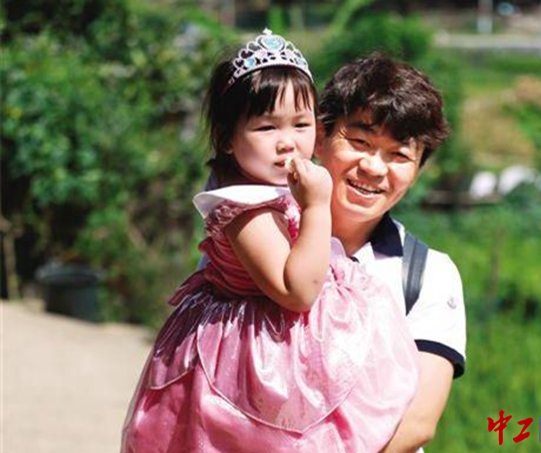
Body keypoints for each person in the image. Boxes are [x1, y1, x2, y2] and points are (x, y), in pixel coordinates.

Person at [121, 30, 420, 453]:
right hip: (256, 358)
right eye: (266, 127)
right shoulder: (245, 208)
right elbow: (297, 292)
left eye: (301, 125)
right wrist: (316, 206)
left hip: (291, 348)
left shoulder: (271, 190)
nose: (287, 143)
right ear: (227, 138)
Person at [316, 53, 467, 453]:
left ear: (417, 170)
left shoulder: (429, 274)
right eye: (361, 142)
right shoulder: (258, 239)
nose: (374, 167)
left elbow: (417, 423)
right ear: (319, 137)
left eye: (398, 155)